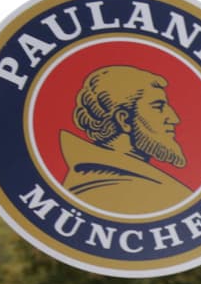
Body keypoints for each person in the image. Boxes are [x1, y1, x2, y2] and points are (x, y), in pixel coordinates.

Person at [61, 66, 193, 214]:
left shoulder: (138, 182)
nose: (174, 119)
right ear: (123, 120)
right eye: (158, 107)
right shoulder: (105, 188)